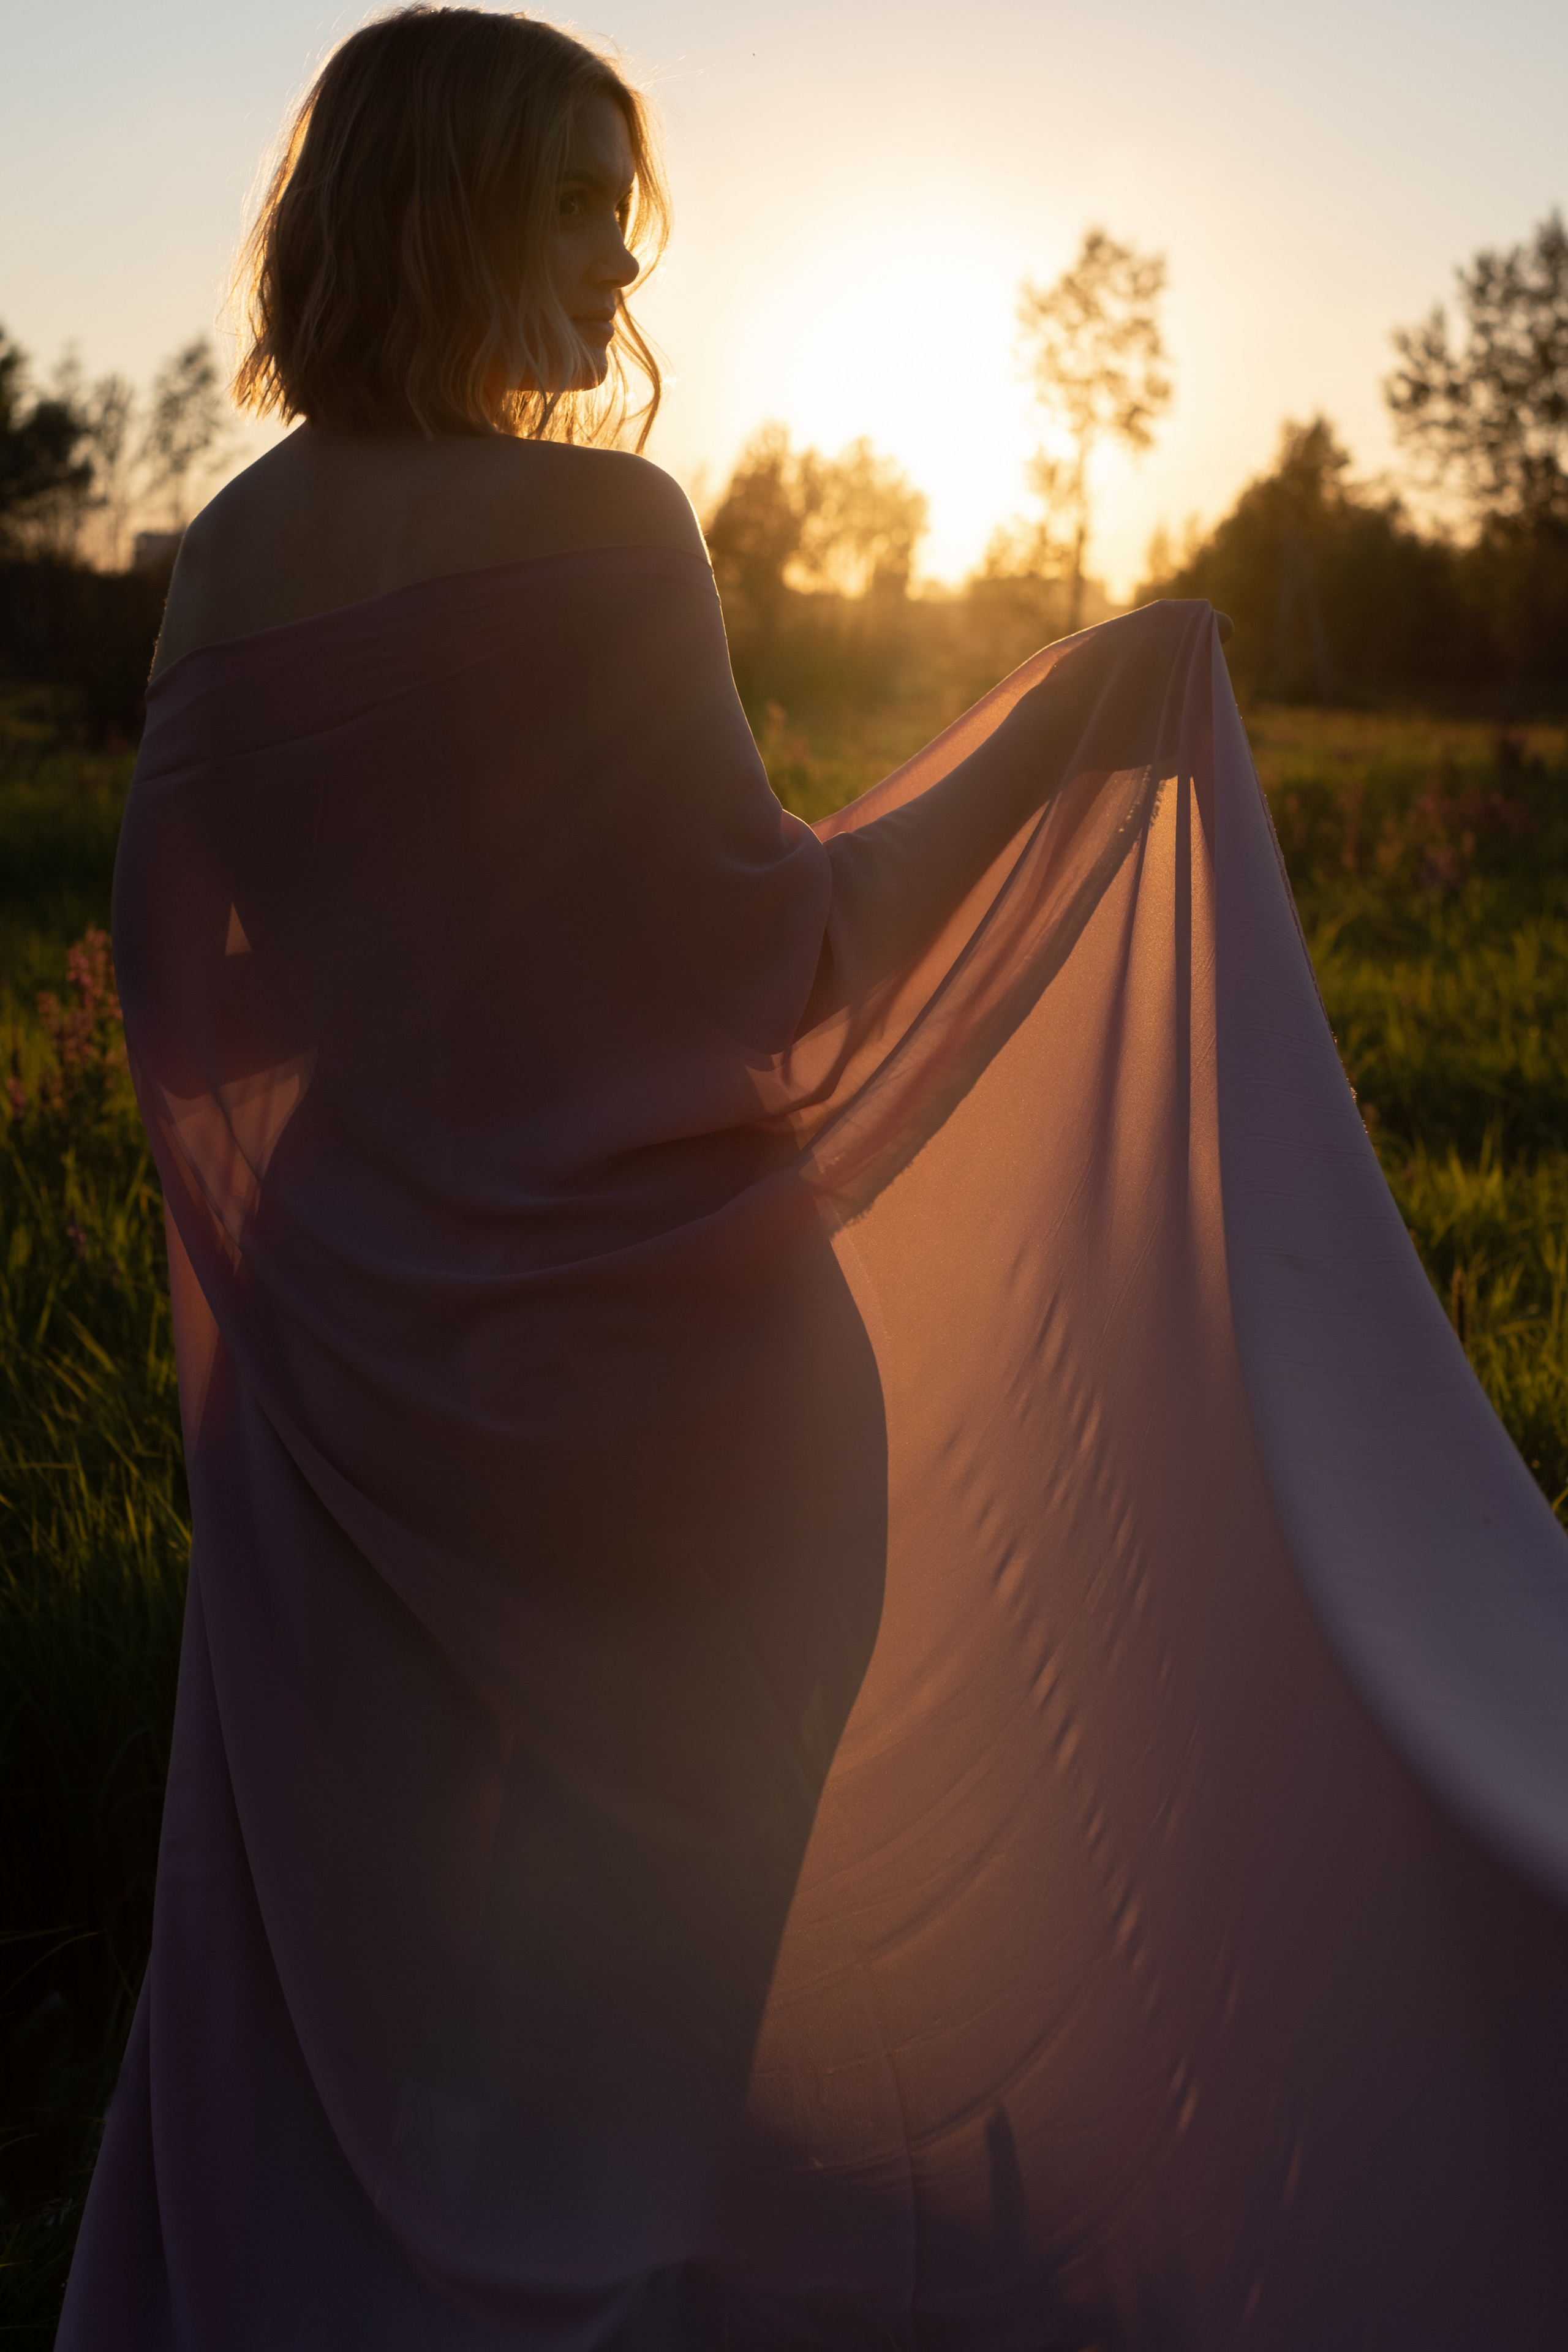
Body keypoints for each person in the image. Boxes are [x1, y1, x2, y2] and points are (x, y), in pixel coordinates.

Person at [61, 9, 1568, 2348]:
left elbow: (205, 1003)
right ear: (439, 199)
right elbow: (780, 961)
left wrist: (418, 1044)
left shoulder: (225, 561)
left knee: (405, 2036)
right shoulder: (605, 530)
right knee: (635, 2065)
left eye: (624, 211)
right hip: (679, 1427)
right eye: (574, 201)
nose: (622, 265)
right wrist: (1079, 722)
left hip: (356, 1419)